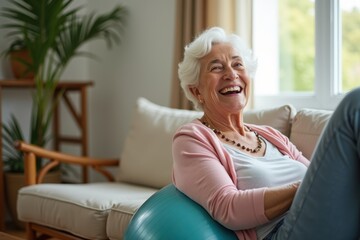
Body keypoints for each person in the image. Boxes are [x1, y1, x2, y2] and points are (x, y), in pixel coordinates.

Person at [172, 27, 360, 240]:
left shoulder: (270, 135)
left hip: (322, 216)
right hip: (283, 232)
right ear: (197, 91)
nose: (231, 74)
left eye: (237, 64)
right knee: (355, 105)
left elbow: (314, 177)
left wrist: (321, 186)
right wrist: (307, 189)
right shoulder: (192, 139)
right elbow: (228, 208)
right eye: (217, 68)